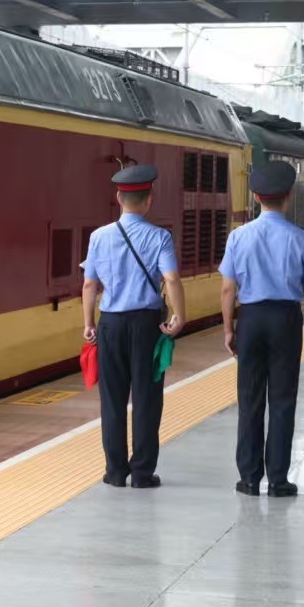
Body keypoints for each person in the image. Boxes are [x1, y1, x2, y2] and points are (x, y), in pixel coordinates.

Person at [220, 162, 304, 498]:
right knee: (282, 399)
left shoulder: (238, 236)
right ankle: (278, 480)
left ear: (255, 197)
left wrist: (229, 329)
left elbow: (227, 289)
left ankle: (249, 479)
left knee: (249, 399)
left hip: (250, 319)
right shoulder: (302, 239)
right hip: (285, 319)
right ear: (288, 197)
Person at [81, 163, 185, 490]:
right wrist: (179, 316)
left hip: (110, 324)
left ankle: (115, 472)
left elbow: (89, 285)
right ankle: (142, 473)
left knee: (112, 400)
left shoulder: (99, 237)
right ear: (149, 200)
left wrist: (88, 323)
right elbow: (171, 279)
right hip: (146, 326)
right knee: (146, 398)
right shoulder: (160, 237)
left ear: (118, 198)